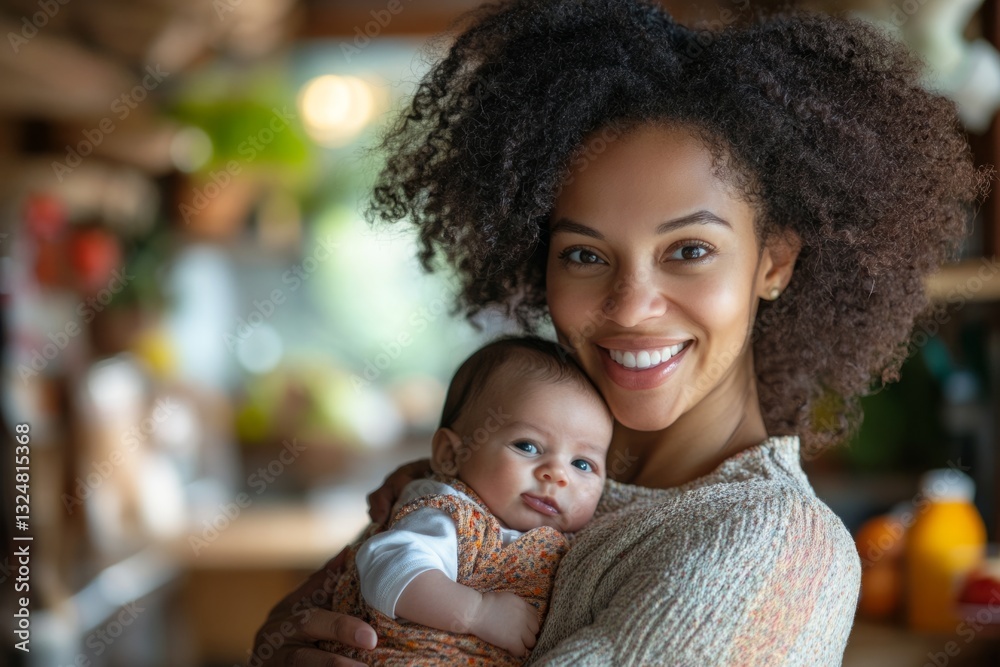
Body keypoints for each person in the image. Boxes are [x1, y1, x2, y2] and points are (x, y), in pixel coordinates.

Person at [251, 1, 988, 665]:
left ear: (774, 261)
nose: (631, 307)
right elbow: (316, 622)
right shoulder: (501, 473)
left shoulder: (774, 546)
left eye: (688, 250)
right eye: (584, 254)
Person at [316, 336, 613, 665]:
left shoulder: (583, 544)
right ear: (450, 454)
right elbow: (388, 568)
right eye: (527, 446)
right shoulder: (450, 514)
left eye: (582, 464)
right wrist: (477, 612)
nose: (557, 475)